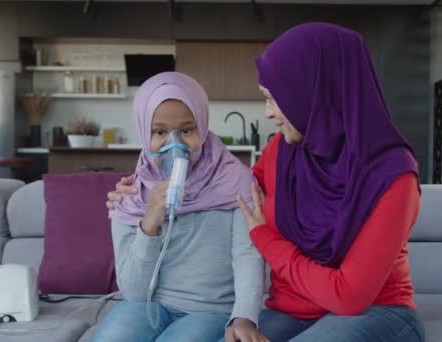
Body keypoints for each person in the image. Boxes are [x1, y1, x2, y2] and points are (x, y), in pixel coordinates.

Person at [108, 23, 425, 342]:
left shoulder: (394, 176)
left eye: (275, 99)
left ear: (316, 91)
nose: (269, 113)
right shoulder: (283, 151)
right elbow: (222, 186)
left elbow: (348, 296)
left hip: (375, 311)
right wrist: (139, 188)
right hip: (290, 311)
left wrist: (266, 240)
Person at [95, 72, 266, 342]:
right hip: (148, 306)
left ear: (202, 124)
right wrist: (149, 222)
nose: (174, 144)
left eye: (186, 130)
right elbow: (134, 292)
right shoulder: (130, 196)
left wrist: (244, 317)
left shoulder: (235, 182)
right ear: (142, 130)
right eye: (159, 132)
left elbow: (247, 257)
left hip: (209, 311)